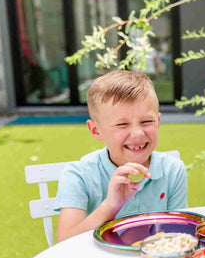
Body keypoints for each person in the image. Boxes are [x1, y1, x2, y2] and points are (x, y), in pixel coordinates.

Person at [56, 71, 187, 242]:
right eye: (122, 124)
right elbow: (64, 243)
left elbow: (179, 233)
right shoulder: (78, 175)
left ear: (158, 121)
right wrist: (111, 204)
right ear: (96, 130)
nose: (138, 134)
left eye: (147, 121)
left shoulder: (172, 170)